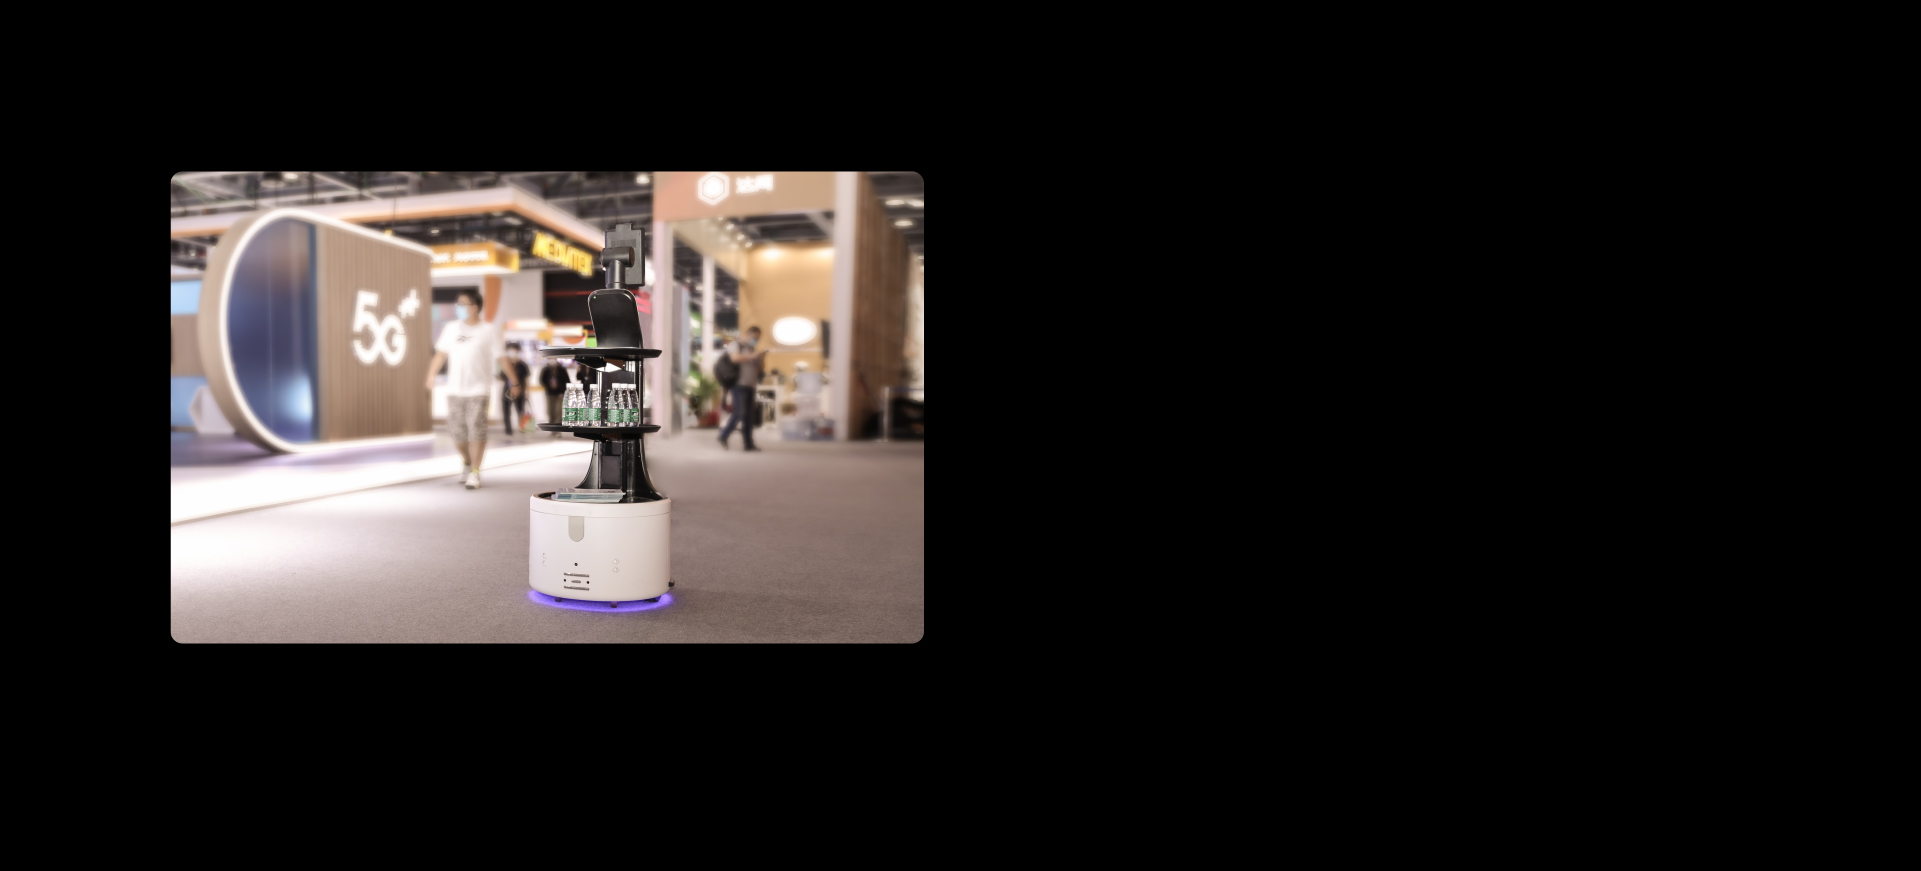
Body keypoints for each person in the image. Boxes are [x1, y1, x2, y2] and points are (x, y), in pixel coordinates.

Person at [425, 289, 519, 489]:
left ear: (474, 307)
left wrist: (515, 382)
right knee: (457, 434)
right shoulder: (451, 328)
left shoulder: (488, 330)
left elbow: (501, 358)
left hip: (479, 389)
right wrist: (431, 375)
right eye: (457, 304)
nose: (458, 307)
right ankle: (468, 462)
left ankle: (475, 472)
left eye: (462, 304)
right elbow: (440, 354)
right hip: (455, 390)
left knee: (477, 431)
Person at [718, 326, 769, 451]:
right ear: (747, 335)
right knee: (739, 412)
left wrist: (761, 359)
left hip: (751, 385)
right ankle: (723, 435)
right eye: (754, 337)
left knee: (749, 416)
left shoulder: (752, 349)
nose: (755, 340)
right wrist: (752, 356)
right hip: (738, 384)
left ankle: (748, 444)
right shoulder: (737, 345)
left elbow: (760, 368)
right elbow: (735, 358)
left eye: (758, 339)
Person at [500, 342, 531, 437]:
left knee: (520, 411)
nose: (512, 352)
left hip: (519, 392)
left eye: (514, 350)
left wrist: (527, 391)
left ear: (518, 351)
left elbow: (527, 379)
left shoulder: (523, 365)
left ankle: (522, 428)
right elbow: (501, 377)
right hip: (507, 391)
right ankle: (508, 430)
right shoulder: (506, 364)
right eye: (510, 350)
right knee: (506, 412)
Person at [539, 354, 569, 437]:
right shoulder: (546, 369)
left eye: (553, 358)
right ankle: (552, 428)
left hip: (560, 394)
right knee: (550, 411)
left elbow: (567, 381)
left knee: (558, 411)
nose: (552, 360)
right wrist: (549, 385)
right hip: (549, 394)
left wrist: (560, 386)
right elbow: (541, 380)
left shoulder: (562, 369)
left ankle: (558, 429)